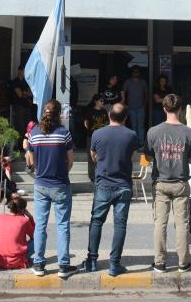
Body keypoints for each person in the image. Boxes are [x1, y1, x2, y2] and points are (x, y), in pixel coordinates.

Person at [82, 103, 138, 276]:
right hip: (123, 184)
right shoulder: (131, 135)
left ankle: (92, 261)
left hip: (103, 183)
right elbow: (132, 155)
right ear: (126, 118)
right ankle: (114, 264)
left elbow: (93, 156)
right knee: (120, 224)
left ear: (108, 115)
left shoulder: (97, 133)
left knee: (97, 221)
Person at [145, 94, 191, 273]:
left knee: (160, 222)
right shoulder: (189, 132)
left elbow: (149, 156)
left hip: (161, 182)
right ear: (180, 109)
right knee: (182, 224)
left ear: (164, 109)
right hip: (181, 182)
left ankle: (160, 262)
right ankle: (184, 262)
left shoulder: (153, 131)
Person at [26, 99, 77, 278]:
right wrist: (63, 172)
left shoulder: (34, 133)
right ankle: (63, 266)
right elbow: (70, 161)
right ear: (59, 115)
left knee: (40, 225)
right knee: (63, 225)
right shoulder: (64, 133)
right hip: (60, 183)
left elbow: (31, 161)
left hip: (41, 184)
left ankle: (39, 264)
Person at [0, 194, 35, 269]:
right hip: (16, 261)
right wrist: (31, 218)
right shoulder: (24, 220)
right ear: (23, 210)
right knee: (42, 236)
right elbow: (35, 236)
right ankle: (26, 259)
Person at [84, 94, 109, 182]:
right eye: (101, 101)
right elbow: (86, 123)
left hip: (102, 136)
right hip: (91, 135)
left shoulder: (104, 111)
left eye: (103, 101)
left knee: (102, 155)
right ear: (96, 101)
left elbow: (107, 122)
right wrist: (91, 130)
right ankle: (92, 176)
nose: (103, 102)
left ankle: (101, 174)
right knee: (91, 157)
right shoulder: (90, 111)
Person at [122, 65, 148, 148]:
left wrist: (145, 105)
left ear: (139, 73)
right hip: (131, 108)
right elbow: (123, 93)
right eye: (134, 71)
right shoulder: (128, 82)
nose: (135, 73)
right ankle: (135, 143)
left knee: (141, 126)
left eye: (137, 72)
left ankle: (141, 143)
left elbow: (146, 94)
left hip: (141, 107)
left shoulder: (143, 82)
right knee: (133, 126)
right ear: (132, 73)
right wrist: (125, 104)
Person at [9, 65, 33, 150]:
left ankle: (27, 145)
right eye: (24, 71)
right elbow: (19, 94)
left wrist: (25, 93)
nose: (25, 73)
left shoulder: (26, 82)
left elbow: (30, 93)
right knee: (20, 126)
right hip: (19, 106)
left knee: (28, 126)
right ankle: (20, 146)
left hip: (26, 106)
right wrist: (26, 93)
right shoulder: (15, 82)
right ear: (19, 71)